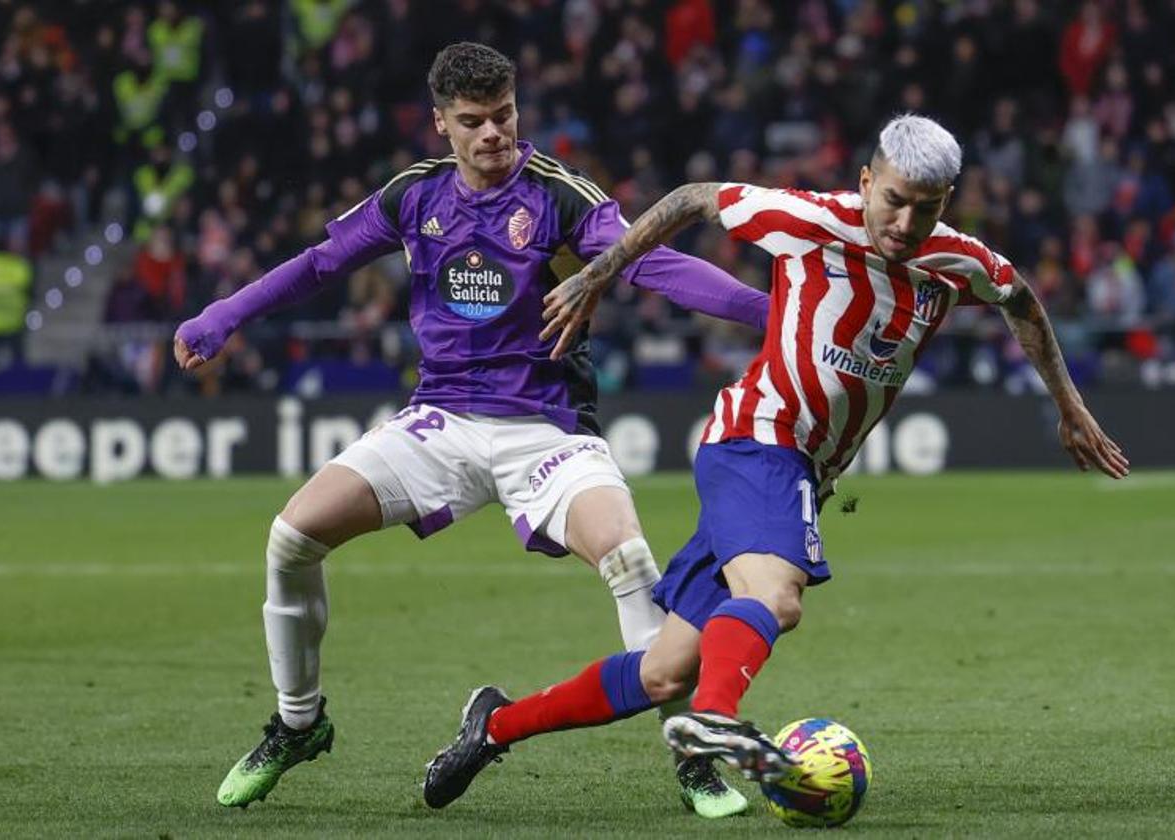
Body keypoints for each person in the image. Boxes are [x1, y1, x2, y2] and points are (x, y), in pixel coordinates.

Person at [422, 114, 1131, 809]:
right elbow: (692, 199)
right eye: (894, 200)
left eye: (927, 208)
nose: (906, 222)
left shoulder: (957, 259)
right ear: (866, 181)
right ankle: (720, 720)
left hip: (802, 472)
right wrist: (600, 273)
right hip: (761, 440)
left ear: (946, 202)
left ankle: (493, 725)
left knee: (665, 673)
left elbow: (1020, 299)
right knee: (775, 598)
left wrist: (1069, 405)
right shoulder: (809, 219)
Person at [173, 42, 767, 817]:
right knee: (291, 536)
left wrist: (768, 313)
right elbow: (321, 265)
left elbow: (657, 266)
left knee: (627, 556)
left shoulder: (560, 195)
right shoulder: (414, 197)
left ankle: (690, 758)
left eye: (504, 116)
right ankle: (297, 724)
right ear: (442, 127)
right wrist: (225, 315)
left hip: (547, 432)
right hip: (441, 423)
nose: (494, 134)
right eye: (474, 122)